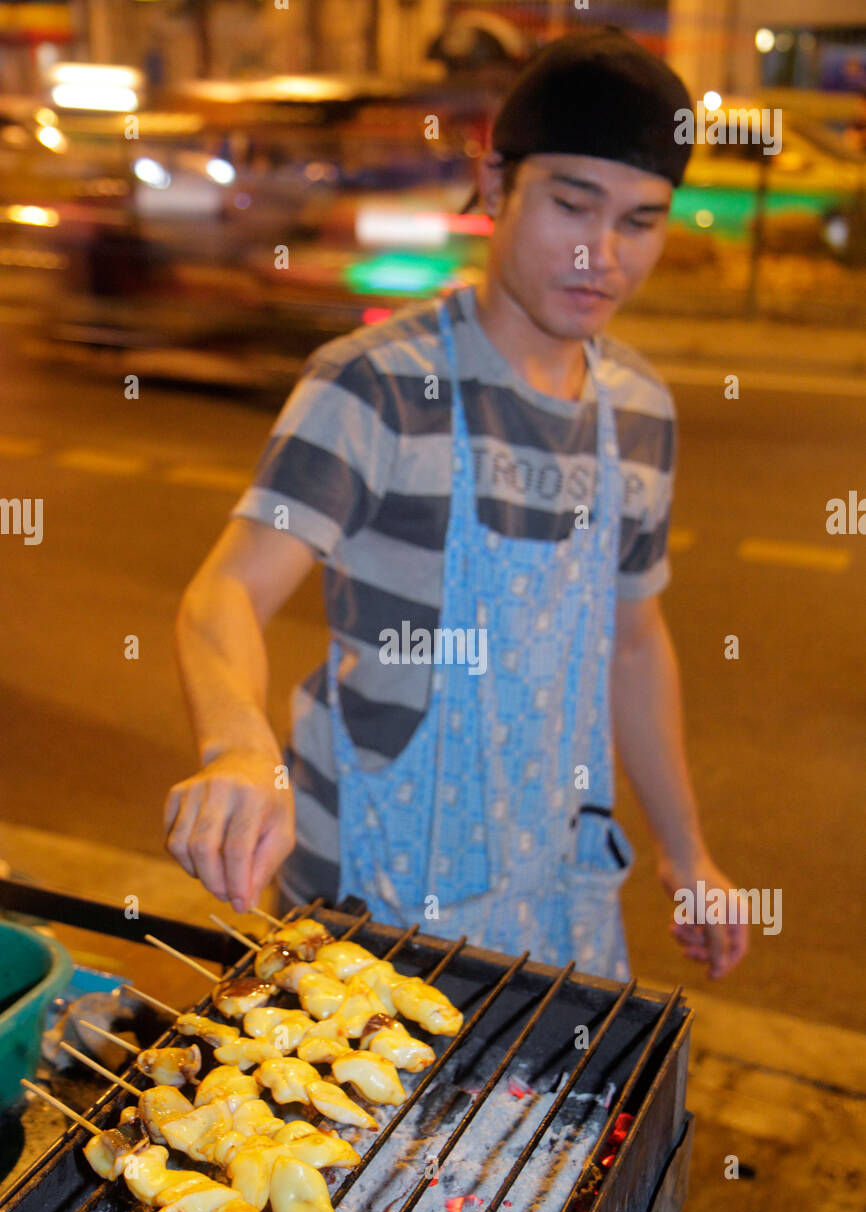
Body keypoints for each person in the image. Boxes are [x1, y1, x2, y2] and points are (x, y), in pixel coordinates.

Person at [164, 26, 749, 981]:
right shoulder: (375, 385)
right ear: (494, 184)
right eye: (572, 204)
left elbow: (634, 640)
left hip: (556, 896)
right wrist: (239, 746)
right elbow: (223, 592)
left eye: (641, 221)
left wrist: (690, 857)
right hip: (367, 898)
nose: (601, 253)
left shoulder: (639, 412)